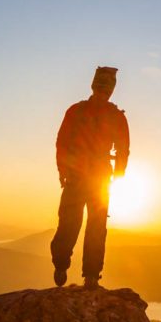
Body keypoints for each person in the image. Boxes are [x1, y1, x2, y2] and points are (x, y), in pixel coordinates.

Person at [50, 66, 130, 289]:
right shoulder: (115, 117)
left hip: (79, 176)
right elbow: (124, 149)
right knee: (94, 226)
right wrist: (119, 174)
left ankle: (63, 266)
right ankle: (90, 275)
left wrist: (63, 171)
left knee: (70, 222)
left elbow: (62, 142)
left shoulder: (76, 111)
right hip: (99, 178)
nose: (105, 92)